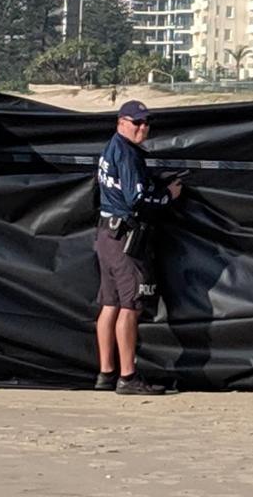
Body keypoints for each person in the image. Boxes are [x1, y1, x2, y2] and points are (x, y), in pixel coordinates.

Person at [94, 100, 184, 395]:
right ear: (121, 122)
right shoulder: (128, 154)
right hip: (124, 239)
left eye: (146, 123)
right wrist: (168, 195)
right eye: (137, 122)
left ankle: (106, 373)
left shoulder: (111, 148)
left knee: (110, 305)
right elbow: (137, 200)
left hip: (106, 234)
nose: (143, 128)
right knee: (129, 307)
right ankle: (128, 376)